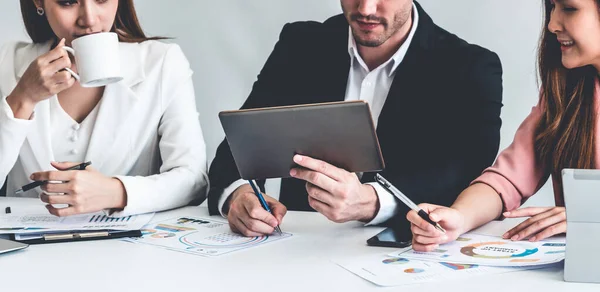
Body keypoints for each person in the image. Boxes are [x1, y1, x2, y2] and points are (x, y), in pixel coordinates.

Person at [208, 0, 503, 236]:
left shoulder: (470, 67)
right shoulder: (300, 44)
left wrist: (373, 203)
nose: (366, 9)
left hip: (410, 256)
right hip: (297, 251)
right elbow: (239, 146)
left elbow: (468, 175)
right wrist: (239, 196)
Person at [408, 0, 600, 251]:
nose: (552, 24)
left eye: (569, 8)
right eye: (552, 7)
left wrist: (590, 217)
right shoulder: (567, 92)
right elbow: (507, 180)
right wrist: (459, 217)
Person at [0, 0, 208, 216]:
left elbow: (193, 178)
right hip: (26, 244)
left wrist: (115, 192)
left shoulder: (161, 64)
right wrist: (23, 98)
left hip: (126, 245)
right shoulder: (7, 62)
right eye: (68, 2)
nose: (89, 19)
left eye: (101, 0)